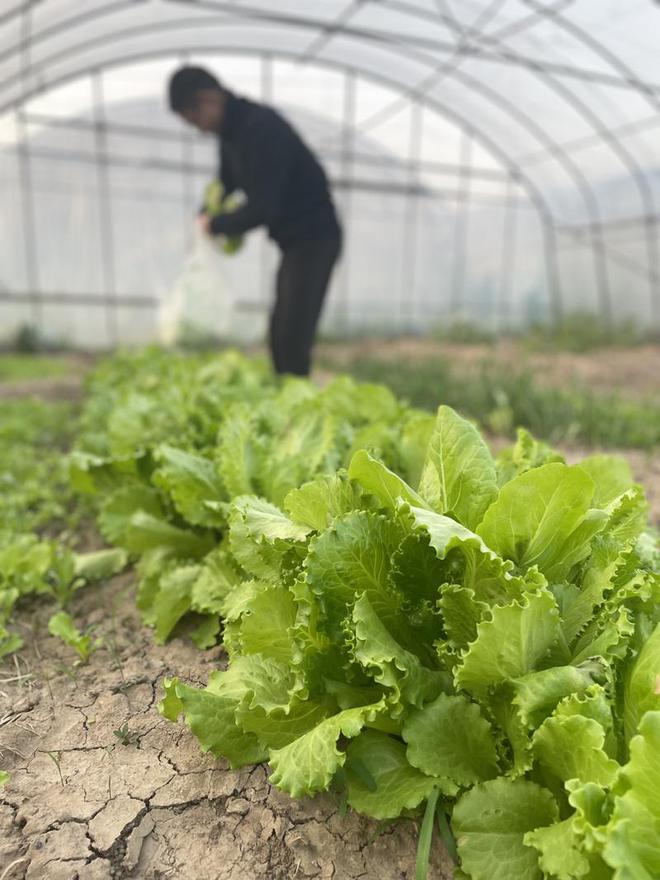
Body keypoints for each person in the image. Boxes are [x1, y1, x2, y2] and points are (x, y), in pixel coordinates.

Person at [168, 65, 342, 377]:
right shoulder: (230, 134)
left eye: (195, 119)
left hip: (315, 237)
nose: (199, 129)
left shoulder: (261, 129)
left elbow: (265, 207)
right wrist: (204, 213)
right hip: (293, 243)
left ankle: (297, 402)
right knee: (280, 332)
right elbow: (225, 183)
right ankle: (288, 398)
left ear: (208, 99)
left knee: (292, 333)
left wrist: (217, 225)